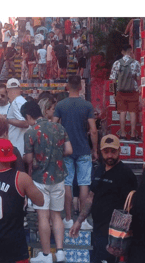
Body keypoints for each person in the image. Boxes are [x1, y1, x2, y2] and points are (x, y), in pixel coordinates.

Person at [69, 134, 137, 263]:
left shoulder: (126, 174)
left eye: (113, 151)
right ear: (100, 152)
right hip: (98, 229)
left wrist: (126, 232)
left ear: (119, 151)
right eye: (106, 151)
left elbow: (133, 204)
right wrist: (79, 221)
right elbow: (91, 197)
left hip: (114, 232)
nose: (109, 155)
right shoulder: (98, 170)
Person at [22, 101, 73, 263]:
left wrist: (26, 158)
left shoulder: (30, 132)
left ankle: (45, 255)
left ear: (29, 116)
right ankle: (60, 252)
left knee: (43, 216)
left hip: (40, 179)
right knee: (57, 215)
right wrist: (56, 157)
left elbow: (29, 159)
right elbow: (69, 151)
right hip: (58, 177)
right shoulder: (59, 128)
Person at [52, 75, 97, 229]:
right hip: (84, 149)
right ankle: (83, 221)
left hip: (66, 150)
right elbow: (94, 130)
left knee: (67, 183)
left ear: (67, 86)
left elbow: (53, 126)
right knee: (84, 183)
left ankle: (69, 218)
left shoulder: (61, 105)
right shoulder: (87, 105)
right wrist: (95, 150)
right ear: (80, 87)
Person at [109, 44, 141, 141]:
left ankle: (122, 134)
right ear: (131, 51)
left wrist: (114, 93)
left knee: (122, 112)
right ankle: (132, 134)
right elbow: (139, 78)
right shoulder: (136, 63)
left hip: (120, 91)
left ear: (122, 52)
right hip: (133, 90)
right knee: (132, 113)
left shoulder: (116, 63)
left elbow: (113, 80)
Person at [6, 78, 29, 157]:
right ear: (20, 89)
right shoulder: (21, 100)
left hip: (17, 148)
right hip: (20, 148)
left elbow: (25, 123)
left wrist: (6, 120)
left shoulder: (17, 102)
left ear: (7, 90)